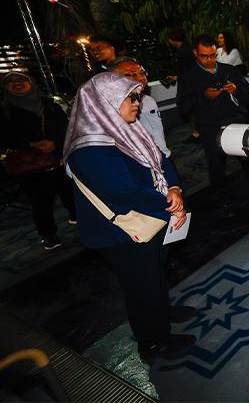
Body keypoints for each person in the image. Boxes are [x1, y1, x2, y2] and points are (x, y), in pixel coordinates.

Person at [63, 72, 195, 360]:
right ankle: (153, 342)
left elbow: (161, 158)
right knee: (140, 286)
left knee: (155, 272)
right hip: (121, 231)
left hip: (151, 215)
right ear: (104, 102)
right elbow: (123, 191)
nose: (138, 102)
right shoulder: (90, 147)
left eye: (137, 96)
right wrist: (172, 204)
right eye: (131, 98)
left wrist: (174, 188)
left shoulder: (127, 128)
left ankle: (163, 312)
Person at [175, 35, 249, 218]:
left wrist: (236, 90)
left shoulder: (229, 70)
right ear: (196, 53)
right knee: (217, 167)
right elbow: (184, 107)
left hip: (237, 122)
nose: (210, 60)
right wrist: (204, 97)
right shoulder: (189, 77)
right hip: (211, 127)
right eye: (204, 56)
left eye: (213, 55)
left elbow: (248, 95)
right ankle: (223, 202)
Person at [0, 72, 76, 249]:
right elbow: (3, 137)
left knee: (69, 191)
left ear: (30, 82)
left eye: (21, 79)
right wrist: (32, 144)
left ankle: (77, 217)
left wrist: (53, 142)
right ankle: (48, 234)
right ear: (4, 87)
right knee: (41, 201)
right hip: (30, 164)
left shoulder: (49, 104)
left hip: (57, 158)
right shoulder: (4, 110)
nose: (17, 83)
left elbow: (65, 126)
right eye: (10, 82)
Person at [107, 57, 171, 158]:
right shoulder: (111, 109)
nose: (142, 78)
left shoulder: (148, 100)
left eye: (142, 73)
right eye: (133, 74)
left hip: (164, 155)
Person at [167, 26, 201, 144]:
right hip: (188, 86)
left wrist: (184, 89)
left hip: (188, 88)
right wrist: (176, 77)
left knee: (190, 110)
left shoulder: (184, 51)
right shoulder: (186, 49)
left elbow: (188, 71)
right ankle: (197, 134)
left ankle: (197, 134)